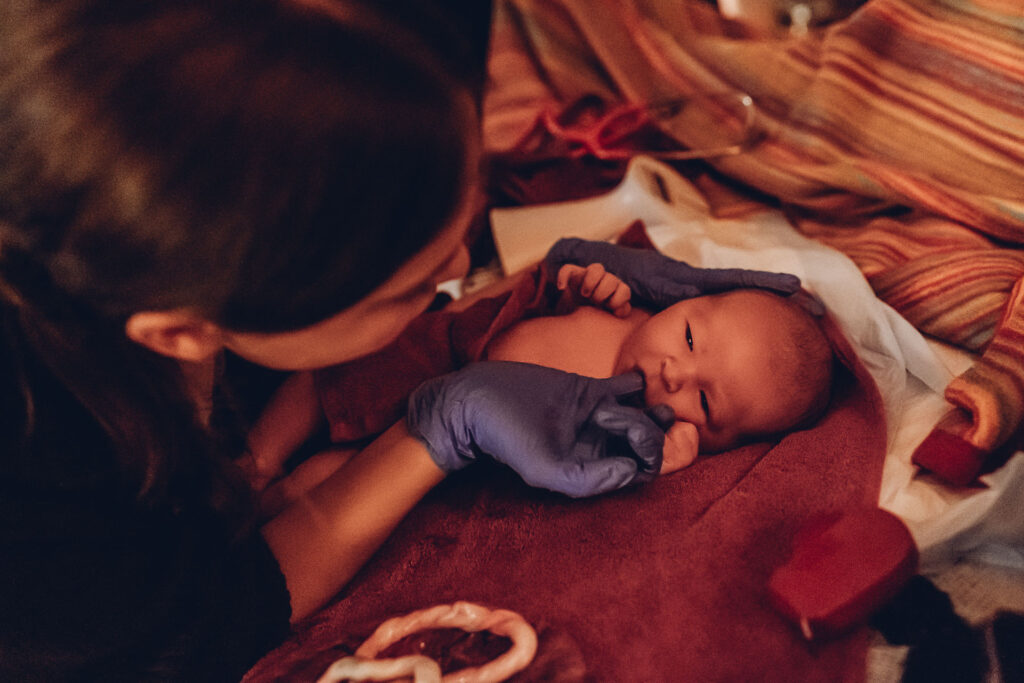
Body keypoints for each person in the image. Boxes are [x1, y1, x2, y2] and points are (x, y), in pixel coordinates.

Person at [0, 1, 799, 680]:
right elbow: (213, 615)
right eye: (408, 288)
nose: (463, 272)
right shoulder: (50, 504)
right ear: (182, 329)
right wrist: (436, 429)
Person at [246, 242, 833, 513]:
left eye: (706, 400)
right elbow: (551, 283)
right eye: (688, 336)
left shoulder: (638, 423)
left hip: (439, 439)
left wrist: (680, 450)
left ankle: (265, 508)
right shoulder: (626, 303)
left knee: (327, 484)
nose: (675, 372)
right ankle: (256, 460)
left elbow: (626, 461)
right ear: (683, 300)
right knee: (323, 382)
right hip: (439, 352)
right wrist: (582, 280)